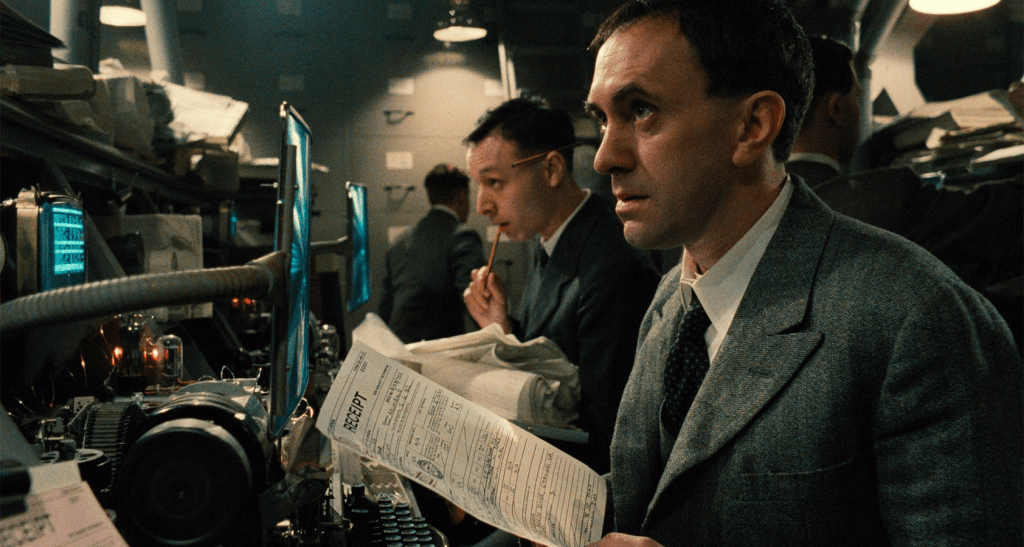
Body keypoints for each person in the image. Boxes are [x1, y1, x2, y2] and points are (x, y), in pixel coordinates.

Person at [579, 0, 1023, 545]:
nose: (604, 157)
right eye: (602, 119)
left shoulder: (917, 318)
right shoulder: (672, 296)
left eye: (641, 110)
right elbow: (670, 489)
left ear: (753, 126)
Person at [462, 97, 660, 475]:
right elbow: (549, 359)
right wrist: (502, 330)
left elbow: (605, 429)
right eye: (478, 186)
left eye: (494, 182)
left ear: (551, 169)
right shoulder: (550, 242)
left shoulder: (612, 266)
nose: (482, 205)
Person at [378, 163, 485, 343]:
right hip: (438, 351)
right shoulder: (462, 237)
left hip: (398, 346)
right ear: (461, 196)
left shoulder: (400, 241)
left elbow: (385, 308)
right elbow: (476, 303)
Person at [785, 36, 861, 185]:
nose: (859, 113)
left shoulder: (750, 194)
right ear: (836, 108)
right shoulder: (863, 196)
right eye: (857, 98)